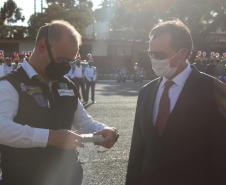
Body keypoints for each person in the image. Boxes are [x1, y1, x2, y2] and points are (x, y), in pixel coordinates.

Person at [0, 20, 118, 185]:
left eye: (69, 61)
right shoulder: (9, 84)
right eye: (62, 59)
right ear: (42, 46)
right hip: (22, 178)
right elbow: (2, 128)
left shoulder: (67, 85)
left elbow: (83, 121)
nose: (65, 67)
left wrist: (103, 130)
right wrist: (51, 137)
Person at [126, 19, 226, 185]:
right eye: (150, 53)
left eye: (159, 55)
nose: (153, 59)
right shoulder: (146, 92)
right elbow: (138, 148)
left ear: (183, 53)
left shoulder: (213, 89)